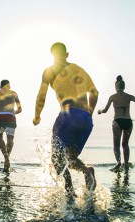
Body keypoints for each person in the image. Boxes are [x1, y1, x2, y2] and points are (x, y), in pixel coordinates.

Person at [33, 42, 99, 193]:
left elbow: (42, 95)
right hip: (86, 121)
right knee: (70, 159)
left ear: (52, 56)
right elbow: (95, 93)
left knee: (57, 161)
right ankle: (87, 171)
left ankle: (69, 193)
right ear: (67, 55)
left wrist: (37, 116)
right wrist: (89, 114)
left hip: (68, 116)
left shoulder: (49, 71)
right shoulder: (79, 69)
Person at [98, 75, 135, 172]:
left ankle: (118, 163)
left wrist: (99, 111)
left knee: (116, 145)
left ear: (115, 87)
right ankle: (126, 165)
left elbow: (105, 110)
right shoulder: (129, 96)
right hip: (128, 122)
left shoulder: (112, 97)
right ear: (124, 87)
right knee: (125, 144)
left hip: (118, 121)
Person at [0, 79, 22, 172]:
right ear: (9, 85)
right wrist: (13, 113)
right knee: (10, 140)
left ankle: (6, 158)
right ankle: (7, 158)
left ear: (1, 86)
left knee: (0, 138)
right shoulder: (15, 94)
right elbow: (20, 109)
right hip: (10, 118)